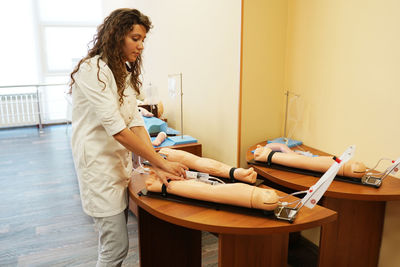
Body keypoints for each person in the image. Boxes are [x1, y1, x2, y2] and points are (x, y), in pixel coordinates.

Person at [69, 8, 188, 266]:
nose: (141, 46)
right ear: (117, 35)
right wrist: (162, 163)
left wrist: (156, 163)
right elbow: (118, 130)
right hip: (98, 169)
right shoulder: (93, 70)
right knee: (115, 248)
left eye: (143, 40)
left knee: (115, 244)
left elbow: (134, 122)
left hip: (117, 165)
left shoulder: (123, 71)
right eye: (135, 38)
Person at [253, 143, 366, 178]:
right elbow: (276, 145)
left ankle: (347, 165)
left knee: (333, 160)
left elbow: (280, 146)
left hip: (317, 159)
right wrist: (287, 151)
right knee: (308, 162)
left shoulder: (295, 155)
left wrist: (286, 150)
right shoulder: (291, 157)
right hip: (308, 160)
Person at [159, 147, 258, 183]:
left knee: (197, 161)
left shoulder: (165, 152)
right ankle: (235, 173)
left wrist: (234, 172)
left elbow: (198, 162)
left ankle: (235, 172)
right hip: (160, 157)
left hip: (163, 154)